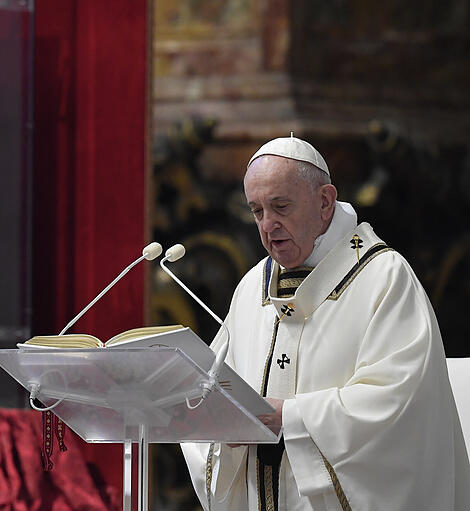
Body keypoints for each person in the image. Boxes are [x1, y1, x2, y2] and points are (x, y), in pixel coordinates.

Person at [181, 136, 470, 510]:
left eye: (281, 206)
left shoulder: (383, 277)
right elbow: (214, 387)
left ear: (324, 202)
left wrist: (292, 418)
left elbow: (400, 404)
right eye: (256, 211)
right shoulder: (253, 286)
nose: (269, 226)